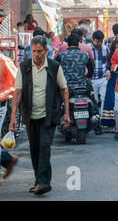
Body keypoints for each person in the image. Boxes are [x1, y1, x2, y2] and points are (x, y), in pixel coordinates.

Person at [10, 35, 70, 196]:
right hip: (30, 116)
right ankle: (39, 181)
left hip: (49, 115)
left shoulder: (54, 66)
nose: (36, 54)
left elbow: (64, 89)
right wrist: (13, 117)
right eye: (34, 51)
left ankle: (43, 182)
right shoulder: (24, 67)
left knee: (44, 146)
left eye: (40, 51)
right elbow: (17, 92)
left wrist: (66, 114)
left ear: (46, 51)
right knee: (35, 149)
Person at [0, 53, 18, 179]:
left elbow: (17, 84)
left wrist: (2, 95)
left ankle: (8, 159)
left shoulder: (4, 61)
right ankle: (7, 159)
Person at [89, 30, 110, 135]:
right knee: (94, 102)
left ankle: (100, 122)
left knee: (103, 99)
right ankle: (95, 124)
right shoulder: (88, 49)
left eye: (101, 41)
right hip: (92, 79)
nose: (99, 43)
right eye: (97, 41)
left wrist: (108, 70)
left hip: (102, 78)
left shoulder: (105, 48)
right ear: (93, 40)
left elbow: (108, 62)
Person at [101, 39, 118, 127]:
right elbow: (108, 67)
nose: (117, 49)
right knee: (112, 100)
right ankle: (112, 123)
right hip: (112, 80)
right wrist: (108, 71)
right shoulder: (111, 56)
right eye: (115, 47)